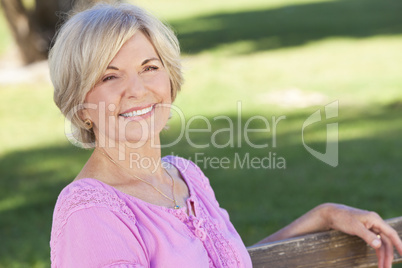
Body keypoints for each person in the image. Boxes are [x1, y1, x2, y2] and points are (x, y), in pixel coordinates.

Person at [48, 2, 402, 268]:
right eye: (110, 77)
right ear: (80, 103)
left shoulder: (184, 176)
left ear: (170, 80)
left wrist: (322, 217)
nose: (137, 90)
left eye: (149, 68)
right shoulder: (90, 211)